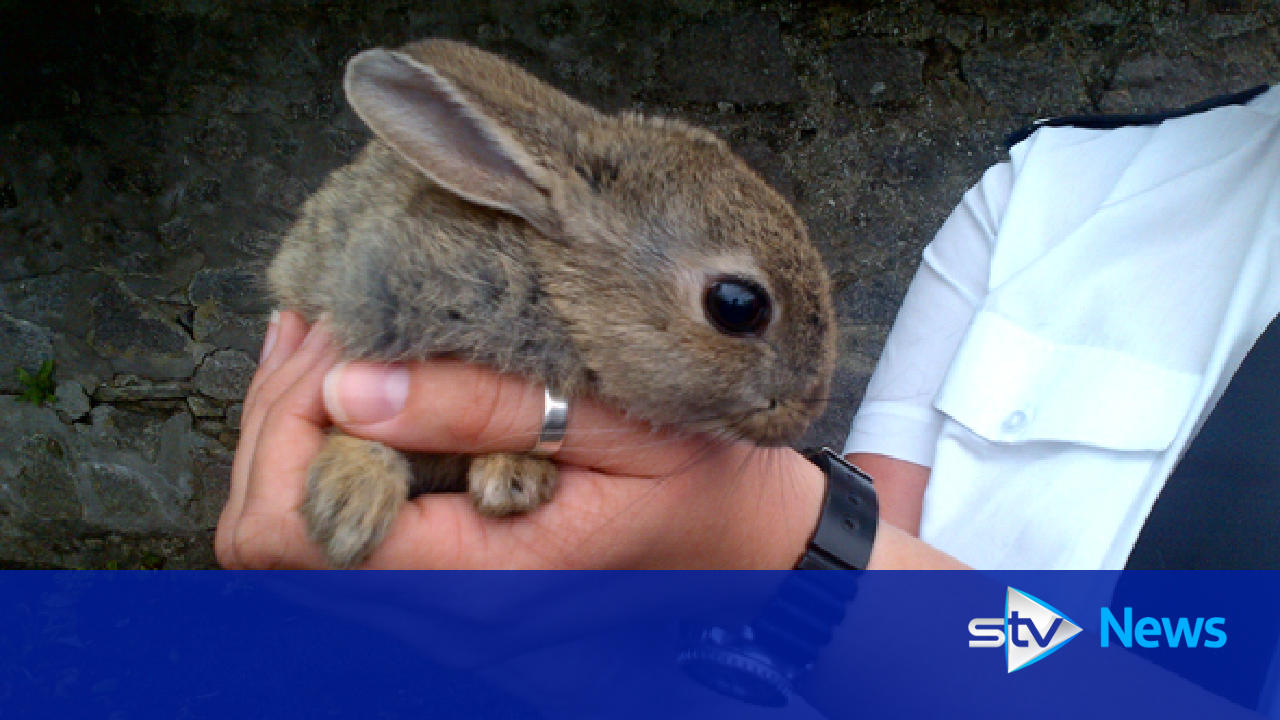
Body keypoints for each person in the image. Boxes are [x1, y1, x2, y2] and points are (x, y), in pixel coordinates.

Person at [217, 83, 1278, 573]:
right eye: (734, 312)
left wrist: (785, 549)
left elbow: (856, 559)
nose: (809, 406)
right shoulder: (1055, 185)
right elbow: (905, 559)